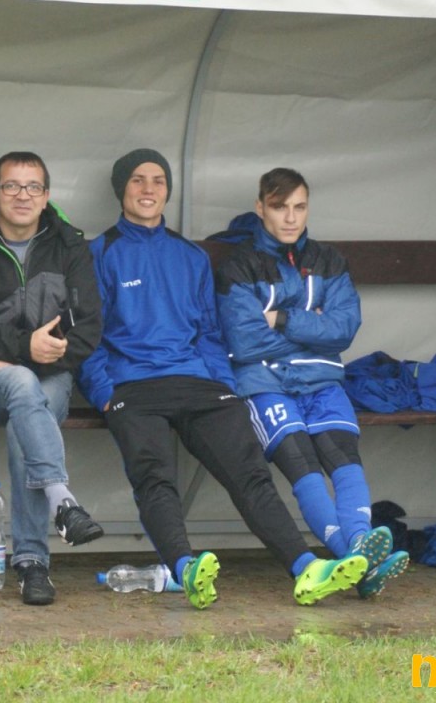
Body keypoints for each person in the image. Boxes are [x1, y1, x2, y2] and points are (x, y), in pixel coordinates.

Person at [78, 148, 367, 609]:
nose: (149, 189)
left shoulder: (190, 255)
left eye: (158, 180)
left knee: (250, 472)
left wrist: (223, 385)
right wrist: (105, 393)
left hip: (200, 383)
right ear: (121, 189)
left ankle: (306, 568)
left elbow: (211, 333)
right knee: (155, 476)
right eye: (137, 180)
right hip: (133, 386)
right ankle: (185, 568)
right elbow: (86, 336)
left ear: (168, 190)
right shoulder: (98, 254)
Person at [215, 167, 410, 599]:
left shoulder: (327, 260)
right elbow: (244, 340)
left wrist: (281, 318)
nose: (290, 217)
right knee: (301, 461)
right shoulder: (239, 266)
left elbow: (344, 328)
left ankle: (357, 547)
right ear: (260, 208)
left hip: (322, 378)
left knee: (343, 456)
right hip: (264, 380)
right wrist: (312, 325)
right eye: (280, 207)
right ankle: (355, 558)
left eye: (299, 207)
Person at [0, 150, 105, 606]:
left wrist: (26, 359)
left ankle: (32, 565)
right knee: (23, 392)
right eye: (11, 186)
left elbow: (88, 328)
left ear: (46, 197)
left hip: (48, 374)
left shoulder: (69, 245)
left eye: (33, 187)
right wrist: (20, 348)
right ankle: (60, 506)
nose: (22, 196)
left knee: (25, 410)